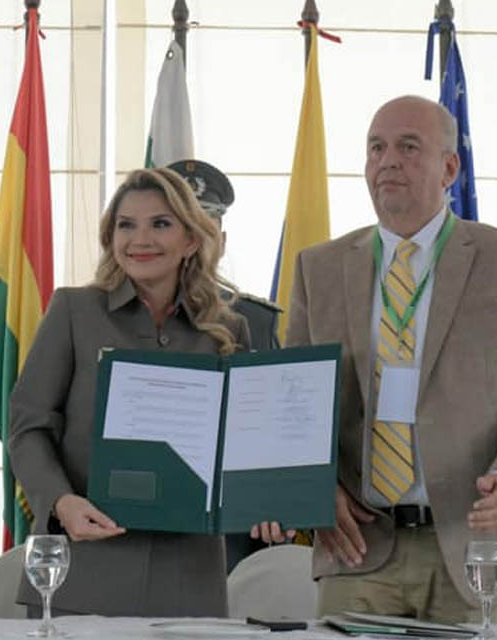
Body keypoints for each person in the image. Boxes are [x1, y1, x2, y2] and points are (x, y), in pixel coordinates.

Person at [287, 95, 497, 623]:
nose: (387, 160)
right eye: (376, 148)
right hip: (359, 547)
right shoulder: (318, 268)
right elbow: (295, 405)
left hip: (473, 543)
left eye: (408, 147)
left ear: (449, 168)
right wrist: (314, 489)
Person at [8, 167, 253, 616]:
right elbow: (28, 428)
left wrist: (269, 497)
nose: (140, 239)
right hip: (83, 569)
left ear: (192, 240)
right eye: (126, 225)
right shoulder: (72, 311)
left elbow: (245, 447)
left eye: (160, 224)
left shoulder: (228, 330)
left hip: (188, 577)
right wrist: (61, 502)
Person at [167, 158, 288, 573]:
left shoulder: (255, 321)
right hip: (128, 527)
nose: (195, 241)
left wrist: (277, 499)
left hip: (229, 539)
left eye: (207, 228)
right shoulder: (105, 315)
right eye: (183, 225)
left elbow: (275, 431)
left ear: (222, 239)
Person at [167, 158, 282, 353]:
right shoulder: (125, 313)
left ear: (222, 243)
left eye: (205, 233)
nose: (193, 244)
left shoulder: (256, 319)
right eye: (183, 230)